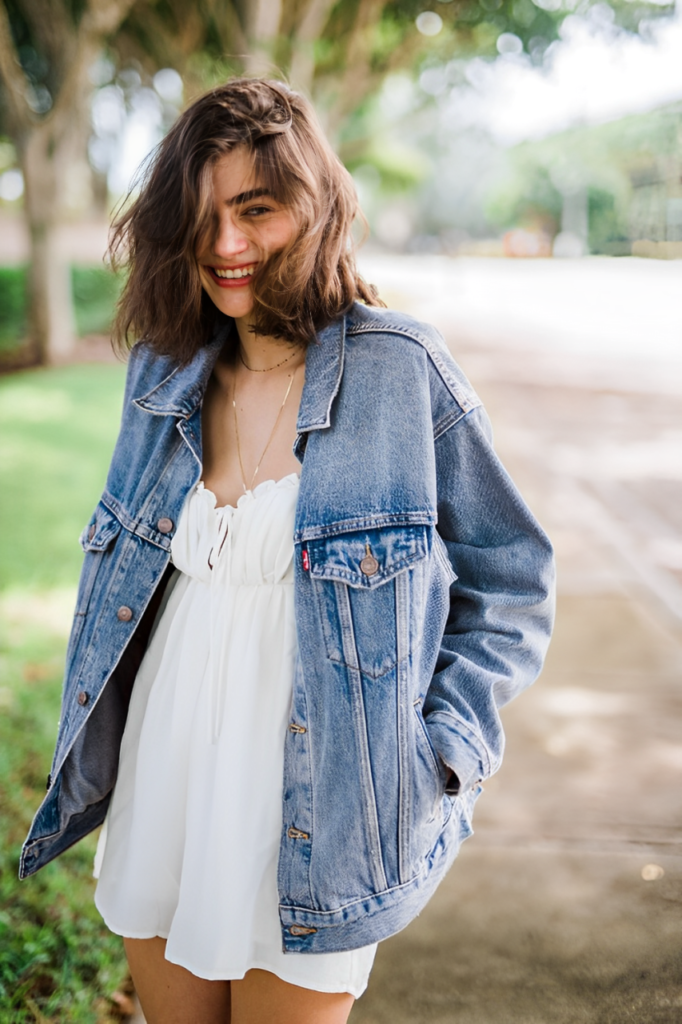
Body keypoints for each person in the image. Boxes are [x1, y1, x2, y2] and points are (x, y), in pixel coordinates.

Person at [21, 79, 555, 1024]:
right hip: (166, 778)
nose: (226, 246)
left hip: (327, 811)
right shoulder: (161, 372)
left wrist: (441, 752)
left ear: (316, 207)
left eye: (255, 210)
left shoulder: (402, 370)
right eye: (203, 215)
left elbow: (511, 578)